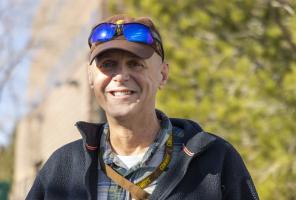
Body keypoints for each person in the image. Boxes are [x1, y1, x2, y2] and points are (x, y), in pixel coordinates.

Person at [26, 14, 259, 200]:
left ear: (163, 74)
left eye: (136, 64)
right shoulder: (62, 167)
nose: (120, 76)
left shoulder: (215, 161)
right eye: (108, 64)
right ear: (90, 77)